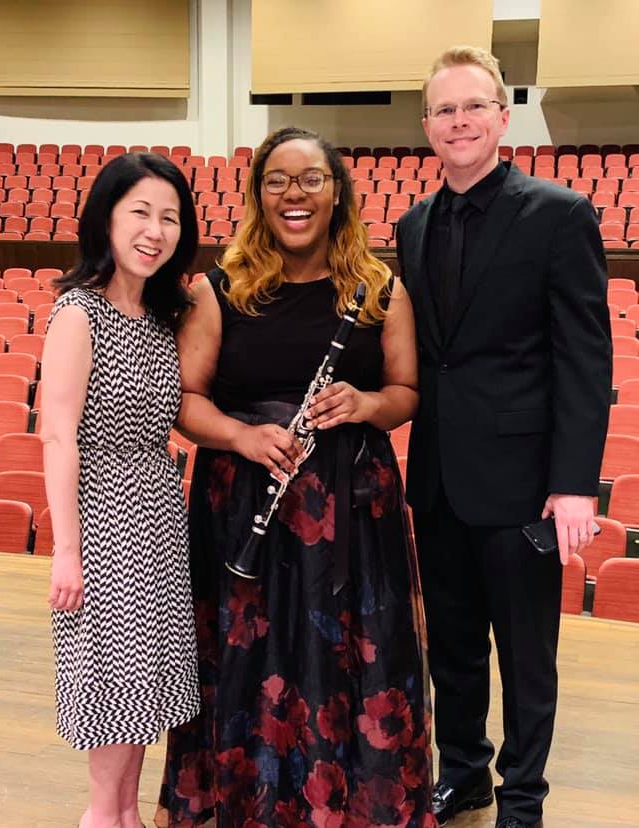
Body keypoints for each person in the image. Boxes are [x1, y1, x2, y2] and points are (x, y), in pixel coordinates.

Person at [156, 126, 435, 827]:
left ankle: (352, 802)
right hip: (246, 496)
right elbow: (186, 401)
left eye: (310, 178)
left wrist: (367, 404)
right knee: (249, 655)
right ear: (258, 196)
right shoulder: (218, 291)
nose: (294, 194)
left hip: (353, 510)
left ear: (336, 191)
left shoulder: (379, 288)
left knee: (350, 654)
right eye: (276, 180)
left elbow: (406, 390)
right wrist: (242, 435)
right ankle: (250, 800)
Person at [396, 47, 612, 828]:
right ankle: (466, 775)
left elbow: (585, 359)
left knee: (526, 661)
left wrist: (574, 484)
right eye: (443, 110)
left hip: (523, 482)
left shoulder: (558, 213)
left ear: (501, 116)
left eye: (472, 106)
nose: (458, 121)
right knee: (451, 649)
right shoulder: (412, 224)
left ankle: (523, 798)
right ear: (427, 127)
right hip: (441, 478)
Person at [41, 152, 200, 828]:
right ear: (105, 218)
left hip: (160, 512)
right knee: (113, 680)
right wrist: (68, 551)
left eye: (169, 217)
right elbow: (58, 437)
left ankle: (128, 816)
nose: (155, 230)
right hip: (105, 519)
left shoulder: (163, 317)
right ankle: (107, 818)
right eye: (140, 211)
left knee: (145, 684)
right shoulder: (79, 314)